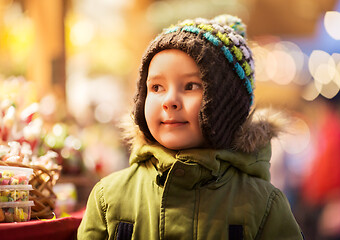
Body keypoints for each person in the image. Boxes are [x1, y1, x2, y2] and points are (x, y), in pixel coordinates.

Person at [77, 14, 304, 240]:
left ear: (228, 103)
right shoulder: (109, 197)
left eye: (190, 86)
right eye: (156, 87)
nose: (169, 100)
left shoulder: (263, 205)